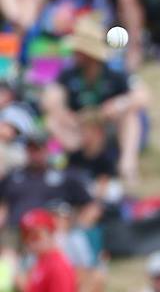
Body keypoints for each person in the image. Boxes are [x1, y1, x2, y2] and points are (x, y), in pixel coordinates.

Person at [41, 13, 150, 185]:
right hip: (79, 127)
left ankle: (128, 165)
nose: (74, 53)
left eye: (78, 50)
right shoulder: (70, 73)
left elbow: (143, 96)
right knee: (52, 121)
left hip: (107, 126)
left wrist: (118, 105)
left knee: (130, 116)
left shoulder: (113, 72)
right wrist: (63, 113)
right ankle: (65, 163)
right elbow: (50, 97)